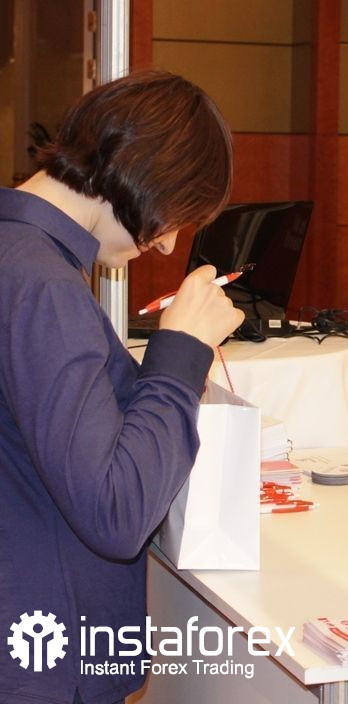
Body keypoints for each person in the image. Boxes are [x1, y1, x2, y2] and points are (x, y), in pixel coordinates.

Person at [0, 71, 244, 704]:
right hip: (43, 654)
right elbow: (115, 512)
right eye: (173, 217)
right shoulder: (43, 283)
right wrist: (180, 351)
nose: (165, 244)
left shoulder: (20, 254)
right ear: (141, 178)